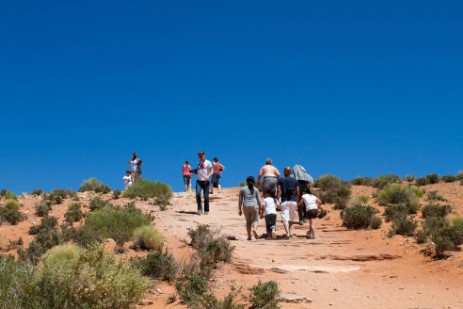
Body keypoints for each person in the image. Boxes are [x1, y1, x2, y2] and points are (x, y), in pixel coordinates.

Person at [277, 166, 300, 239]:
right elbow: (298, 192)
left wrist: (278, 200)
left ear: (284, 171)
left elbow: (278, 191)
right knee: (291, 218)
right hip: (293, 201)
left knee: (285, 218)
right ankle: (290, 232)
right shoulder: (295, 180)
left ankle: (287, 233)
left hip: (285, 201)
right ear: (290, 172)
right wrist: (297, 200)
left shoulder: (280, 180)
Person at [239, 176, 262, 240]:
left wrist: (239, 209)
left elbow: (240, 200)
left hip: (245, 206)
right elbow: (259, 200)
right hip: (254, 205)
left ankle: (249, 236)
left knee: (248, 222)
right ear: (254, 182)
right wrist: (260, 209)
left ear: (246, 182)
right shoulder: (256, 189)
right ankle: (254, 229)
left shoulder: (242, 189)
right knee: (255, 220)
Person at [192, 150, 213, 215]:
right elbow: (198, 172)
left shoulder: (208, 162)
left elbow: (212, 170)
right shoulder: (198, 163)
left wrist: (208, 176)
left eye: (201, 155)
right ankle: (199, 209)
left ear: (204, 155)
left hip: (206, 181)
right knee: (198, 194)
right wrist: (193, 172)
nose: (200, 157)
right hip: (199, 181)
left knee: (206, 196)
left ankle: (206, 210)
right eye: (199, 156)